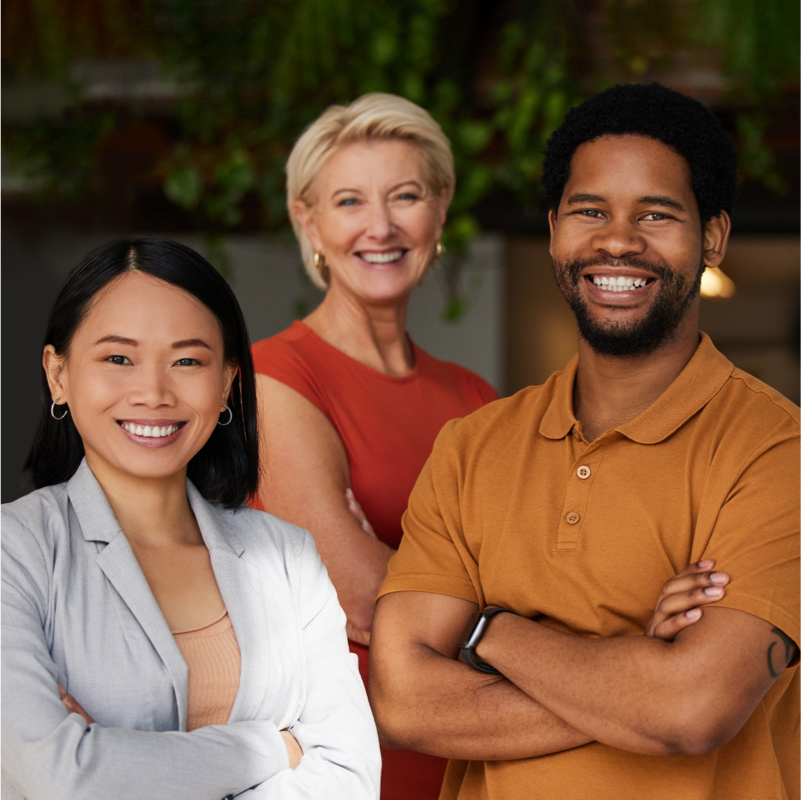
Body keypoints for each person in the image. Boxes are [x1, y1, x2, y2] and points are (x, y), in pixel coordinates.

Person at [370, 82, 801, 799]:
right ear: (552, 231)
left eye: (655, 214)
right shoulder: (471, 447)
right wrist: (638, 667)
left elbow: (692, 712)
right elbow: (403, 700)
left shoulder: (775, 453)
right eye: (589, 211)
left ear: (712, 237)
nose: (617, 240)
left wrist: (487, 633)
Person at [0, 238, 380, 800]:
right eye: (118, 358)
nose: (153, 393)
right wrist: (273, 746)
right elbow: (64, 775)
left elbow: (350, 778)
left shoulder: (289, 556)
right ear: (58, 374)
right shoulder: (16, 549)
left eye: (187, 361)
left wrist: (116, 758)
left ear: (227, 382)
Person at [249, 93, 498, 799]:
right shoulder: (273, 378)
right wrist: (484, 600)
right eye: (350, 201)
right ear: (310, 221)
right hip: (347, 767)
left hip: (476, 760)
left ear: (440, 208)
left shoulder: (476, 401)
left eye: (406, 196)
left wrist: (416, 588)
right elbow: (358, 597)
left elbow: (546, 585)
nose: (381, 227)